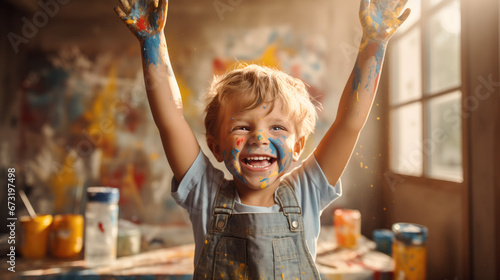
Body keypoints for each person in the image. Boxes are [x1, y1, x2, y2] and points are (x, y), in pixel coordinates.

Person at [115, 0, 409, 278]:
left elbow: (349, 124)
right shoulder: (203, 194)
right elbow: (171, 121)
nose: (258, 137)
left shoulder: (307, 191)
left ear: (297, 146)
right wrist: (152, 42)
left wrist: (375, 42)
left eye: (277, 128)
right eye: (242, 127)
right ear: (216, 146)